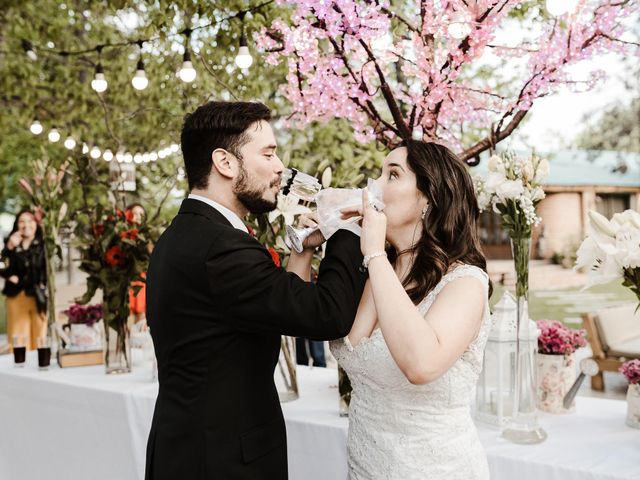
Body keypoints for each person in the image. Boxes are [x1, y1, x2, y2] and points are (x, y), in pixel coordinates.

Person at [144, 101, 367, 480]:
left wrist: (304, 248)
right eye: (268, 152)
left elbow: (280, 309)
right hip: (221, 460)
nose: (280, 166)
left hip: (192, 448)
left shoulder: (188, 234)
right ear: (225, 163)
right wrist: (344, 228)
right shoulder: (221, 247)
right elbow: (327, 314)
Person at [330, 140, 492, 479]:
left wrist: (374, 251)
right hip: (364, 468)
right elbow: (314, 327)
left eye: (392, 175)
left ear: (428, 198)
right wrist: (304, 246)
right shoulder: (378, 270)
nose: (374, 186)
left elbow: (421, 365)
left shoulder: (466, 283)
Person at [0, 208, 48, 351]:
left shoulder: (43, 245)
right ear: (17, 224)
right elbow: (1, 267)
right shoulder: (10, 244)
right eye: (22, 221)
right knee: (18, 342)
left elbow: (46, 272)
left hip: (38, 297)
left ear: (36, 224)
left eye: (30, 220)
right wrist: (8, 248)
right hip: (17, 297)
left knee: (40, 339)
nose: (26, 224)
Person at [125, 202, 148, 328]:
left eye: (141, 214)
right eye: (135, 214)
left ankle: (138, 344)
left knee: (141, 315)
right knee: (125, 315)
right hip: (124, 277)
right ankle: (126, 344)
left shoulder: (147, 236)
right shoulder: (121, 233)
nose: (138, 217)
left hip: (141, 279)